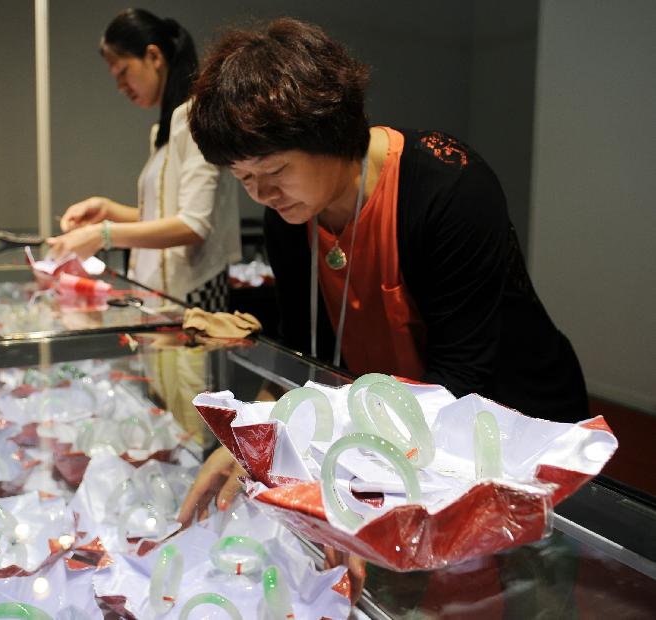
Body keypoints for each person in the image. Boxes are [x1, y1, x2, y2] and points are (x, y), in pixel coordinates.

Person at [177, 17, 588, 592]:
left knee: (530, 589)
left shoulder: (449, 189)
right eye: (243, 178)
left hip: (510, 423)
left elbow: (465, 375)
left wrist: (340, 474)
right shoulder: (290, 218)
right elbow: (301, 354)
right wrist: (256, 440)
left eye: (273, 170)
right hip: (396, 440)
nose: (262, 194)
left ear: (330, 131)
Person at [47, 8, 241, 311]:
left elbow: (194, 224)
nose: (121, 87)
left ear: (154, 56)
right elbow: (164, 215)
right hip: (160, 293)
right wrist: (108, 211)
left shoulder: (195, 118)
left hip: (191, 296)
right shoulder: (164, 130)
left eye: (123, 72)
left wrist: (102, 235)